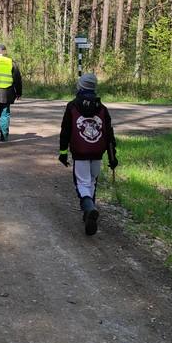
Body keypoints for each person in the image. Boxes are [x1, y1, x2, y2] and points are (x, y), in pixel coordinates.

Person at [58, 73, 118, 236]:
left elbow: (65, 131)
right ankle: (88, 214)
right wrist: (112, 157)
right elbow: (109, 135)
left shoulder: (72, 106)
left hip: (80, 152)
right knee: (91, 181)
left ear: (81, 86)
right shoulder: (102, 108)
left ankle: (89, 208)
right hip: (97, 152)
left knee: (82, 183)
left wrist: (63, 153)